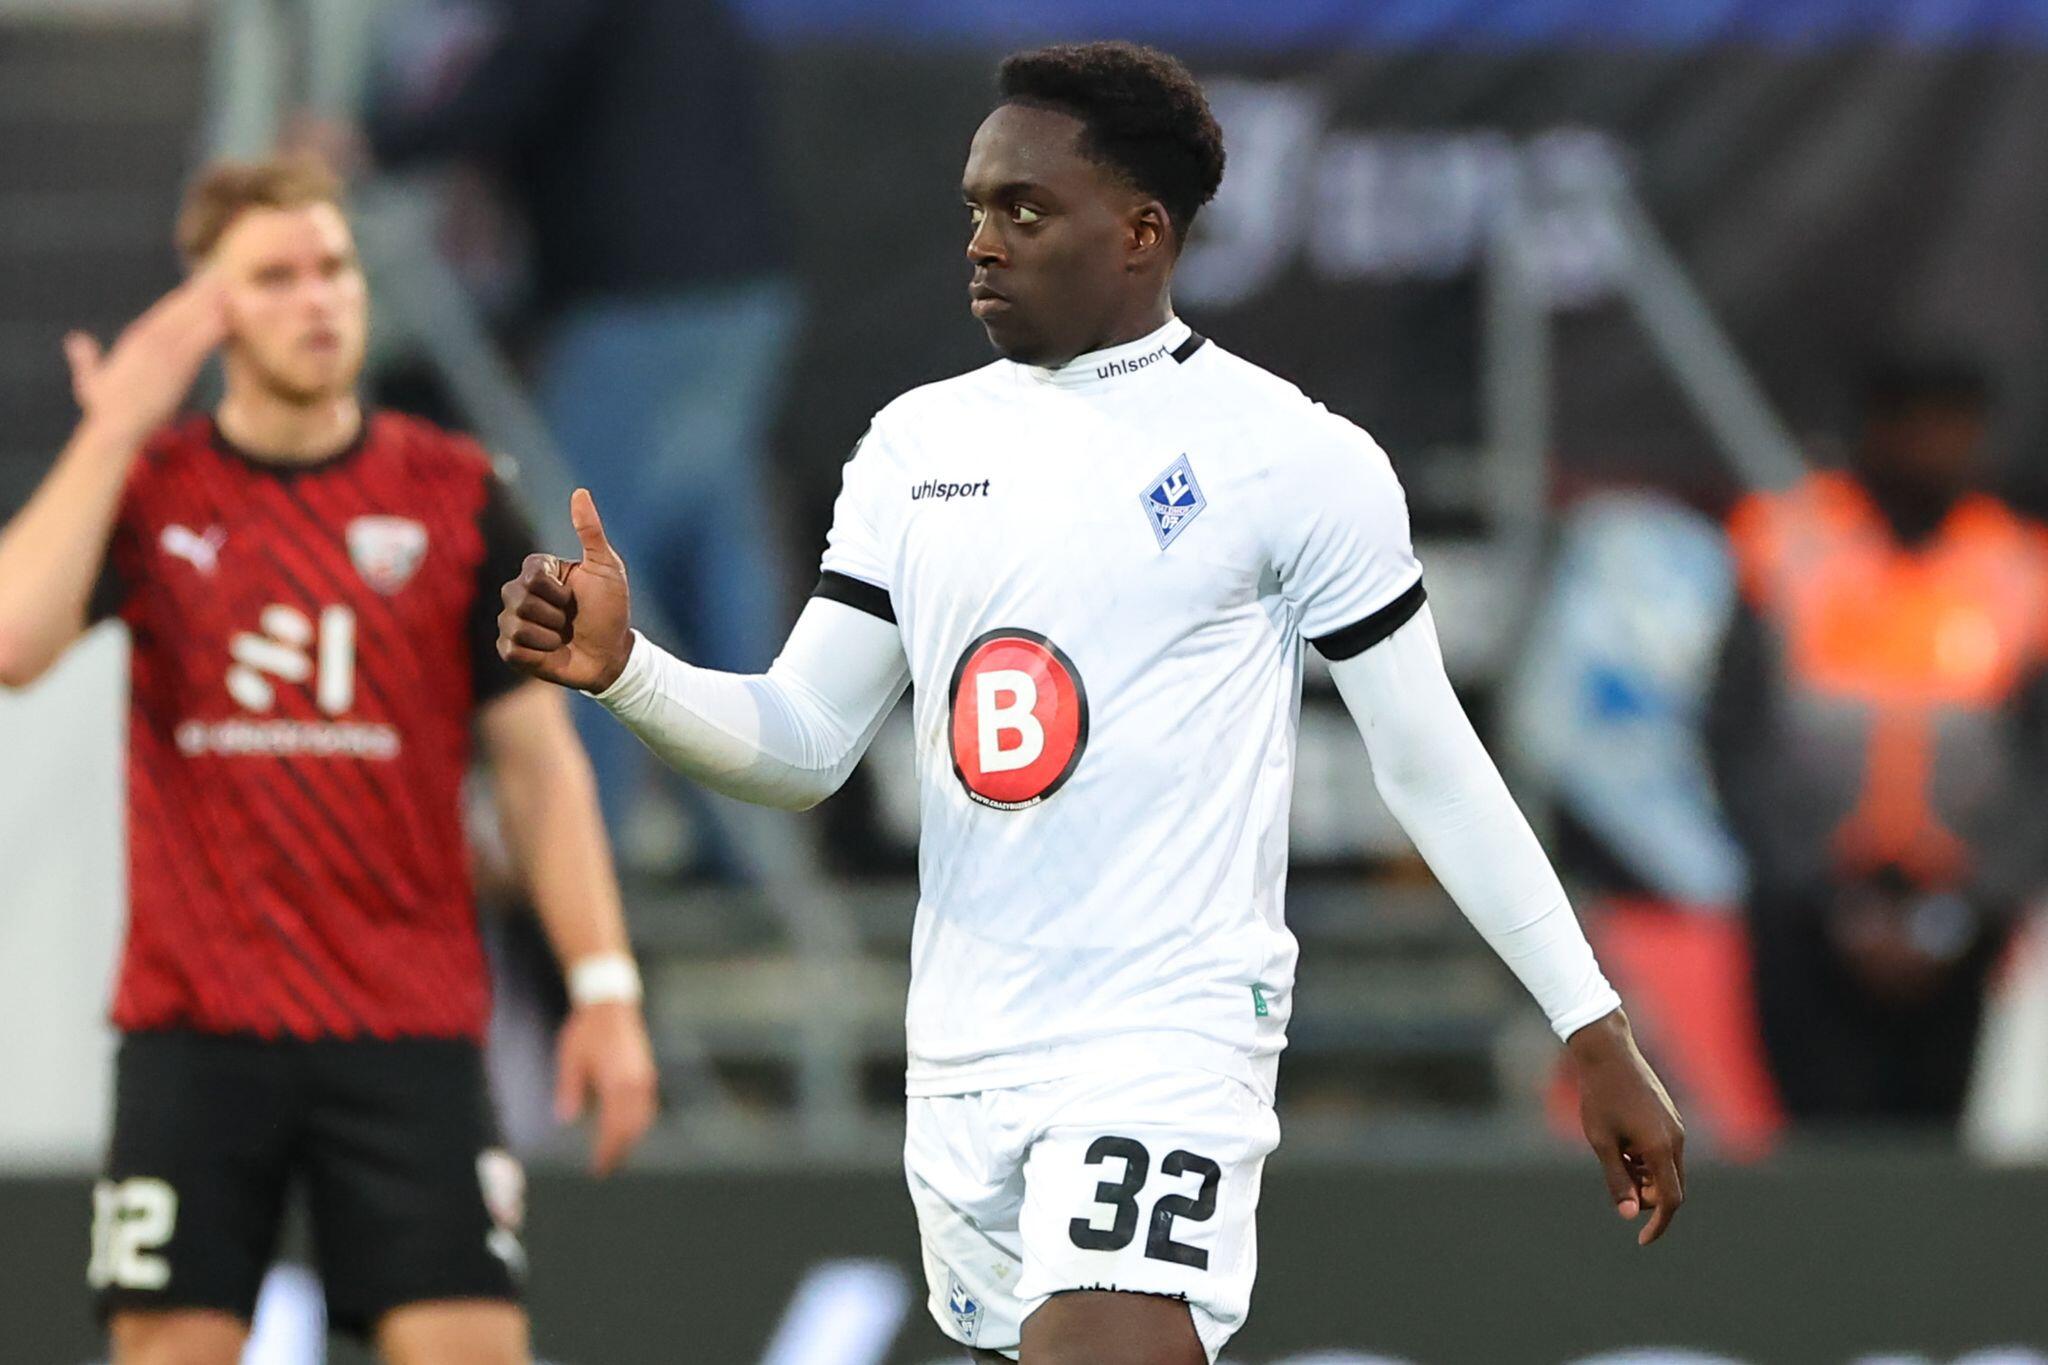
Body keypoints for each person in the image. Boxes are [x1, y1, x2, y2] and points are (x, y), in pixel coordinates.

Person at [499, 43, 1684, 1364]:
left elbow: (1430, 762)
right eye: (974, 208)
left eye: (1025, 210)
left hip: (1163, 1042)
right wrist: (629, 671)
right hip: (964, 1060)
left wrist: (1591, 1025)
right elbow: (807, 743)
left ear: (1140, 233)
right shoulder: (916, 449)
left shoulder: (1292, 458)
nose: (982, 243)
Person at [0, 156, 657, 1365]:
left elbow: (537, 766)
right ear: (212, 309)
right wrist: (112, 427)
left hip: (404, 1023)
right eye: (275, 277)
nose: (317, 299)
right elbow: (13, 645)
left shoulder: (457, 495)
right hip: (197, 1026)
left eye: (334, 268)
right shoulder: (153, 490)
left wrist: (603, 989)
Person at [356, 0, 799, 845]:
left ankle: (582, 832)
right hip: (743, 289)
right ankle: (751, 838)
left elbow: (509, 86)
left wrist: (375, 144)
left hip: (640, 301)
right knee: (710, 560)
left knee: (583, 556)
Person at [1710, 357, 2048, 1127]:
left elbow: (2038, 760)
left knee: (1935, 1145)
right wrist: (1821, 889)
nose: (1935, 447)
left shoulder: (2016, 563)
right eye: (1916, 424)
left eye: (1953, 426)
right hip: (1809, 915)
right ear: (1875, 428)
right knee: (1822, 1140)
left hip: (1962, 921)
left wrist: (1980, 892)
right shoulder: (1790, 544)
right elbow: (1735, 738)